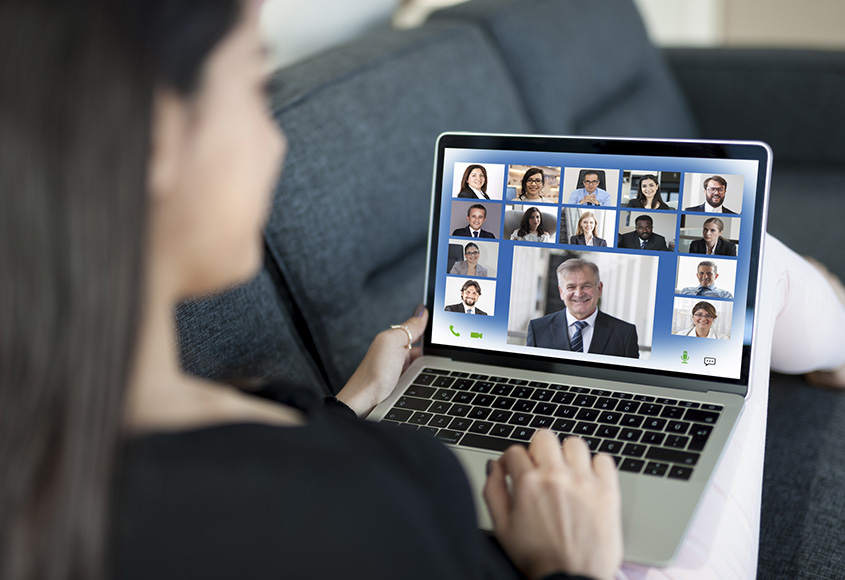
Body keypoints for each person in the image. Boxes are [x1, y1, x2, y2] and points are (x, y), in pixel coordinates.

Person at [1, 3, 626, 580]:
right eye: (256, 89)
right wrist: (569, 568)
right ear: (153, 138)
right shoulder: (366, 505)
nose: (276, 142)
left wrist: (349, 404)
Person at [527, 259, 639, 358]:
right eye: (571, 287)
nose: (579, 294)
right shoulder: (538, 329)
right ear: (561, 292)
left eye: (586, 286)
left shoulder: (625, 333)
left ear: (599, 289)